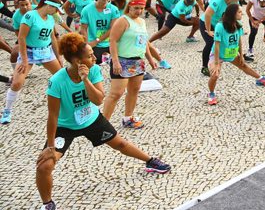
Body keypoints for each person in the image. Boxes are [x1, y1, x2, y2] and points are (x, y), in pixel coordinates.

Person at [35, 33, 170, 210]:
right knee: (44, 166)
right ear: (77, 61)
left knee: (120, 143)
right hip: (64, 126)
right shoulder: (57, 81)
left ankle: (151, 161)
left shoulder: (95, 70)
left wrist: (85, 80)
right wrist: (50, 146)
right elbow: (52, 115)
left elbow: (98, 100)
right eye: (90, 55)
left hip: (91, 119)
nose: (95, 57)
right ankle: (48, 204)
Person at [1, 0, 64, 125]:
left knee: (63, 79)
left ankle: (67, 107)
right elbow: (22, 38)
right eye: (55, 8)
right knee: (17, 83)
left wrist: (59, 57)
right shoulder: (30, 16)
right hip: (29, 52)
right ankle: (7, 110)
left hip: (46, 52)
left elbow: (52, 38)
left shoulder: (51, 18)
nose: (56, 12)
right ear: (48, 5)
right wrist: (24, 60)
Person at [104, 0, 158, 129]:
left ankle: (128, 117)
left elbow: (144, 41)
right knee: (116, 93)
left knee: (134, 90)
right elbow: (113, 40)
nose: (139, 11)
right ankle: (103, 123)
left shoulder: (142, 21)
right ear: (130, 6)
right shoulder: (123, 20)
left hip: (138, 61)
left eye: (142, 8)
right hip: (123, 60)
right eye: (136, 8)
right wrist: (115, 61)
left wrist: (150, 59)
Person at [207, 3, 265, 105]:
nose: (241, 14)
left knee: (244, 66)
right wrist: (216, 63)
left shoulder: (238, 24)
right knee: (215, 75)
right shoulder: (220, 26)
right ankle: (211, 94)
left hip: (231, 54)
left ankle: (260, 79)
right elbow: (216, 45)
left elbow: (239, 40)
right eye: (239, 12)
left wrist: (241, 55)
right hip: (218, 55)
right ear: (232, 14)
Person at [200, 0, 243, 76]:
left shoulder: (232, 2)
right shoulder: (218, 1)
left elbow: (234, 15)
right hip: (206, 23)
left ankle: (222, 59)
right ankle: (205, 66)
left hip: (219, 25)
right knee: (211, 42)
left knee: (224, 41)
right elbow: (207, 15)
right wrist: (208, 30)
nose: (238, 1)